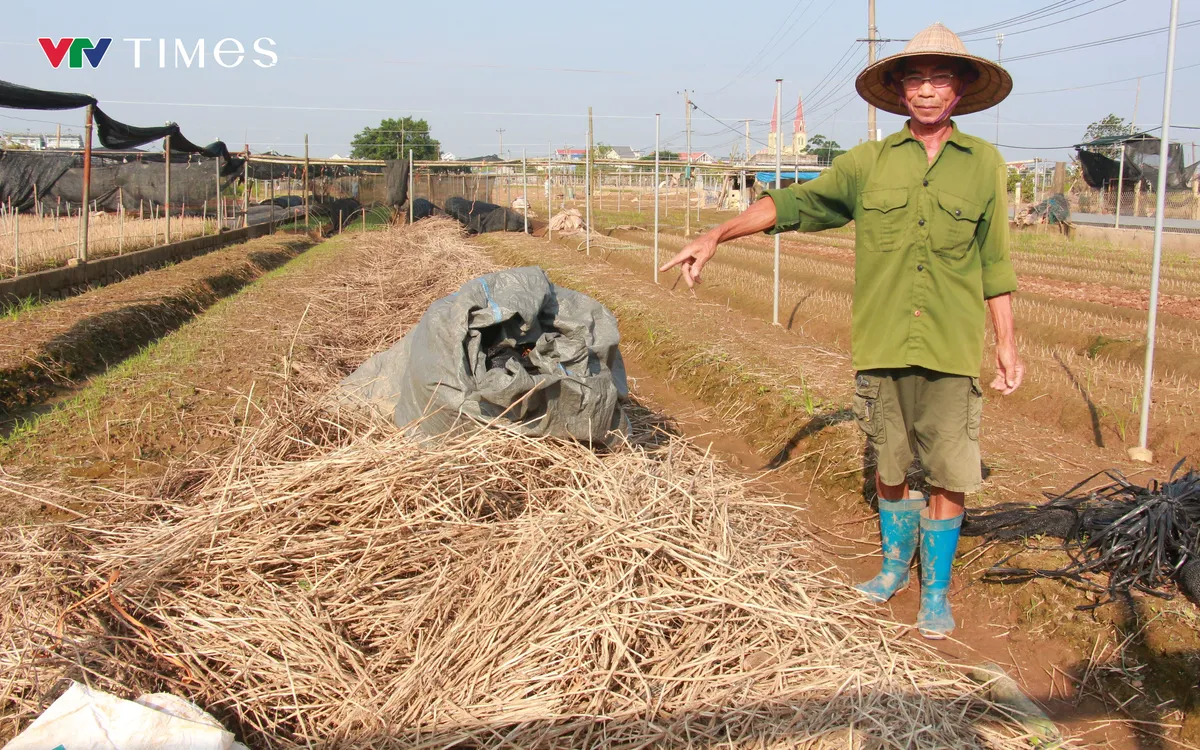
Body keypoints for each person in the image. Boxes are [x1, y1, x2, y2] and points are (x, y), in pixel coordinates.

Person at [659, 23, 1024, 639]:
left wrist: (1007, 343)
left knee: (951, 469)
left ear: (959, 89)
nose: (927, 90)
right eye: (915, 78)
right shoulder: (867, 164)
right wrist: (716, 233)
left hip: (951, 343)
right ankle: (891, 570)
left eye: (940, 78)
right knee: (891, 457)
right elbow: (792, 205)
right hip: (882, 338)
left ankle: (934, 590)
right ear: (900, 89)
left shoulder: (984, 164)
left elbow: (996, 260)